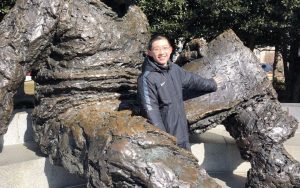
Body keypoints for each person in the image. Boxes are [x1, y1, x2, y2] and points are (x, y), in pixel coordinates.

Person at [138, 34, 222, 151]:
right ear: (150, 52)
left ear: (171, 49)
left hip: (182, 131)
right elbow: (150, 111)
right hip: (168, 138)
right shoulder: (147, 78)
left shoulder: (174, 69)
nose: (161, 52)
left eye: (165, 48)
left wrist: (212, 84)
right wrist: (164, 139)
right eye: (156, 49)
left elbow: (192, 80)